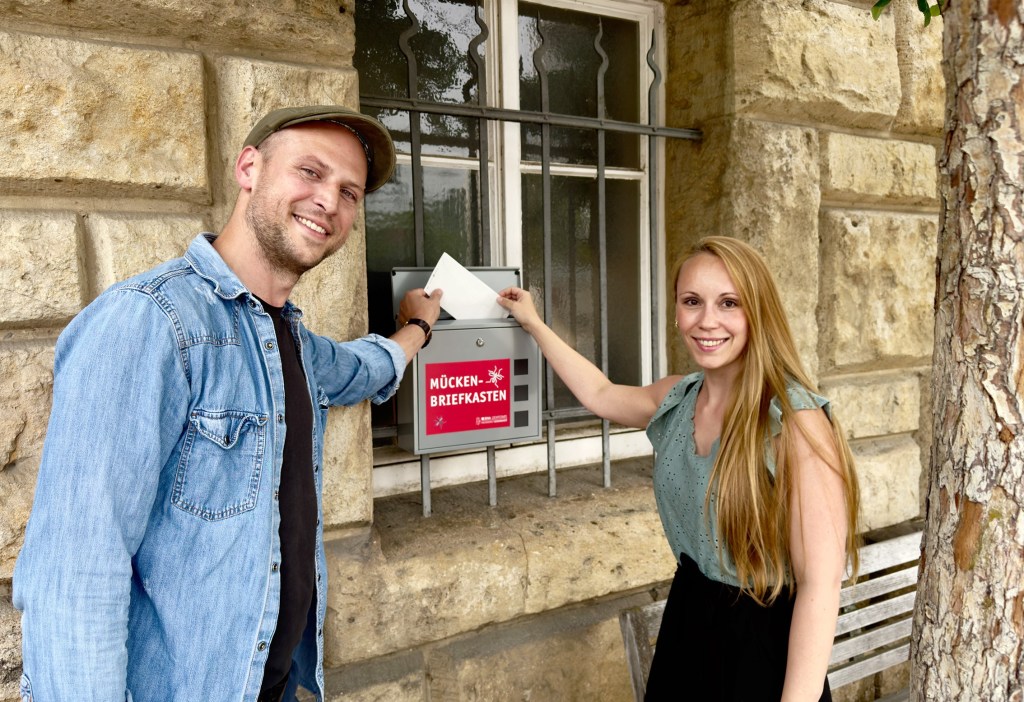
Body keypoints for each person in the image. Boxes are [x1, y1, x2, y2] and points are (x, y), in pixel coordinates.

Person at [13, 105, 442, 702]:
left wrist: (417, 329)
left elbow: (362, 370)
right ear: (249, 168)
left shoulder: (292, 342)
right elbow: (76, 576)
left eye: (349, 191)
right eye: (310, 173)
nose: (329, 202)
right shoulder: (150, 322)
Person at [497, 236, 859, 701]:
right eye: (692, 302)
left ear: (758, 313)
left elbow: (820, 586)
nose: (707, 320)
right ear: (675, 311)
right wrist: (533, 323)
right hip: (687, 627)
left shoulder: (795, 422)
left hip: (764, 648)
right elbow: (602, 394)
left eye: (729, 303)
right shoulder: (678, 397)